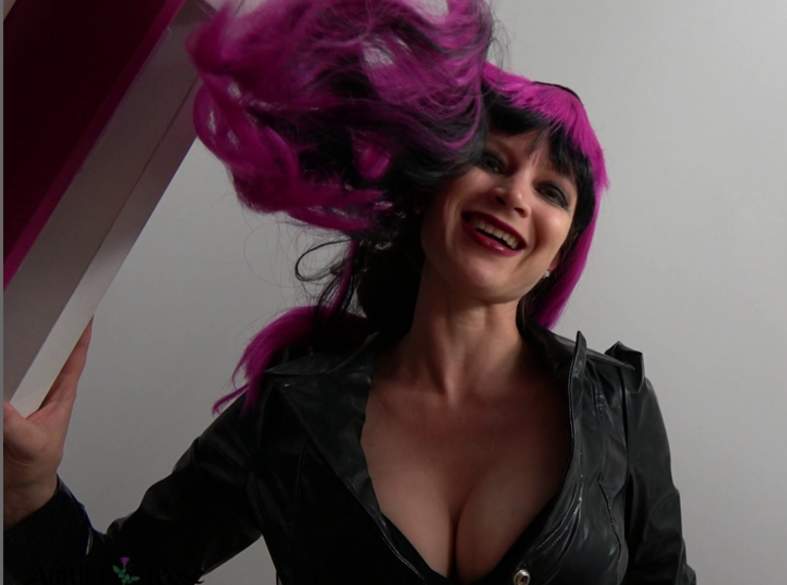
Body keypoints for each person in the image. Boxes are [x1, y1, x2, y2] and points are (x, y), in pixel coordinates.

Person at [4, 0, 697, 583]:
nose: (515, 195)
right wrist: (29, 492)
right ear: (429, 192)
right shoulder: (292, 407)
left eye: (552, 190)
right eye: (490, 160)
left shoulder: (618, 406)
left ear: (559, 253)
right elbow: (122, 577)